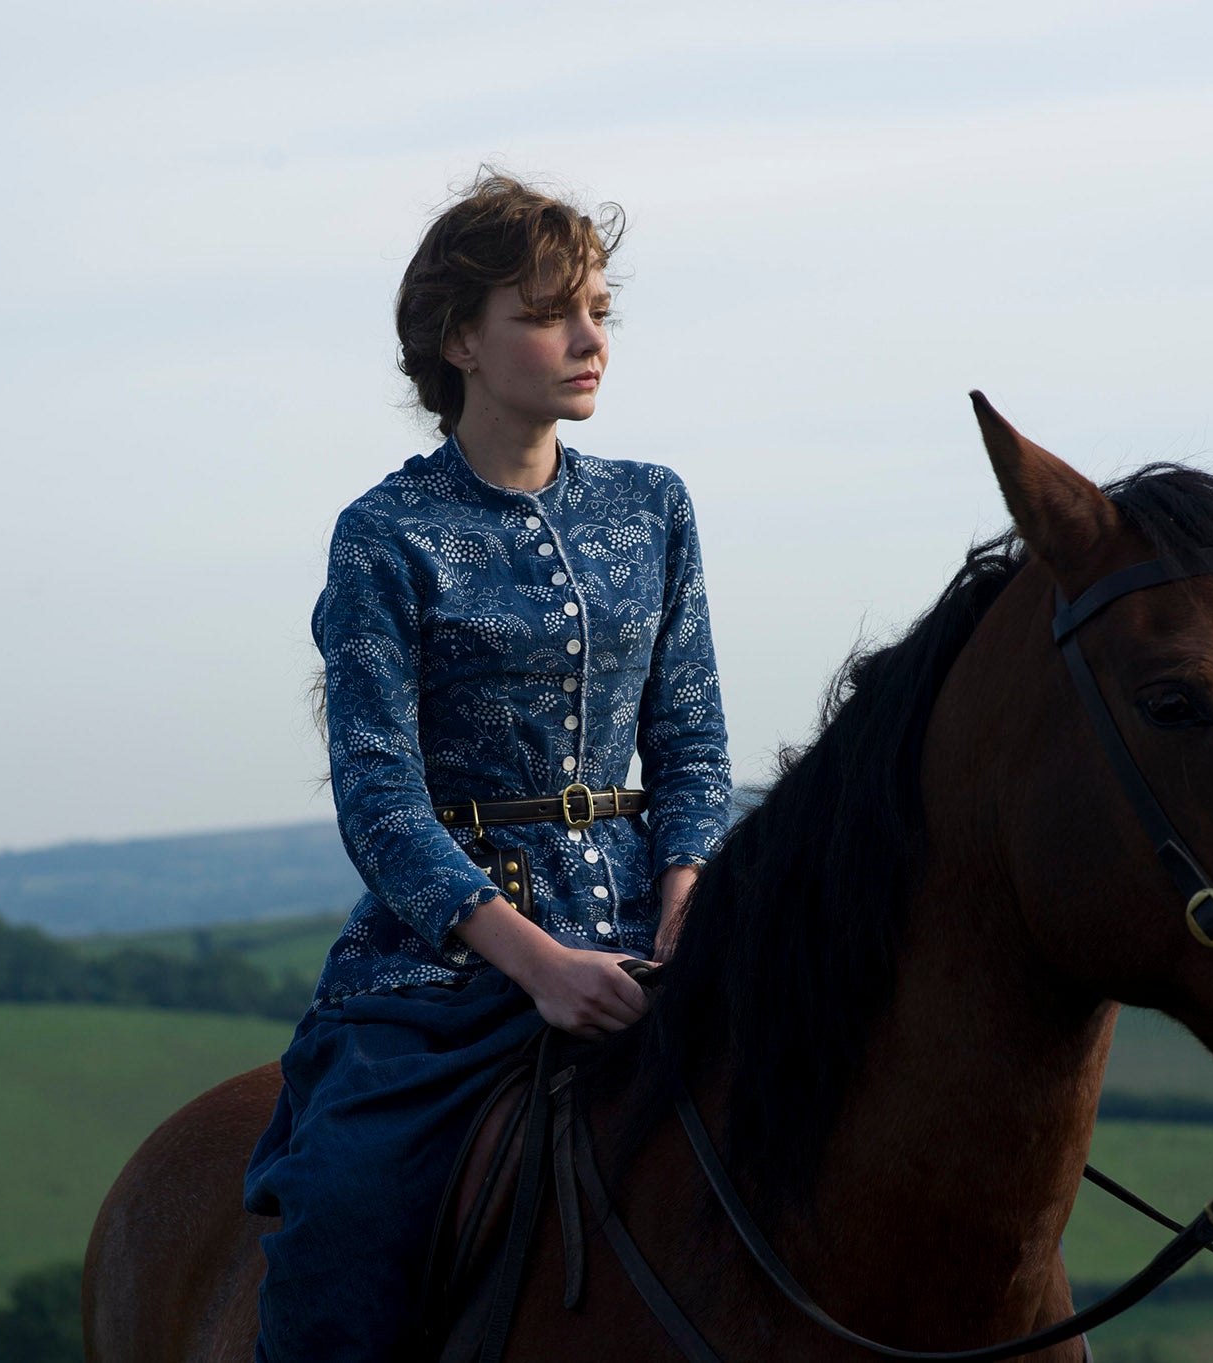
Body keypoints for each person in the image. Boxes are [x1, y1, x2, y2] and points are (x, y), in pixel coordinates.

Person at [241, 171, 732, 1362]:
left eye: (600, 310)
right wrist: (536, 964)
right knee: (344, 1220)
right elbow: (377, 796)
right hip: (442, 967)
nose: (588, 341)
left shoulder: (652, 507)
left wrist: (687, 896)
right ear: (458, 337)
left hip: (655, 934)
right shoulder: (386, 533)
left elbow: (693, 743)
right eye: (548, 313)